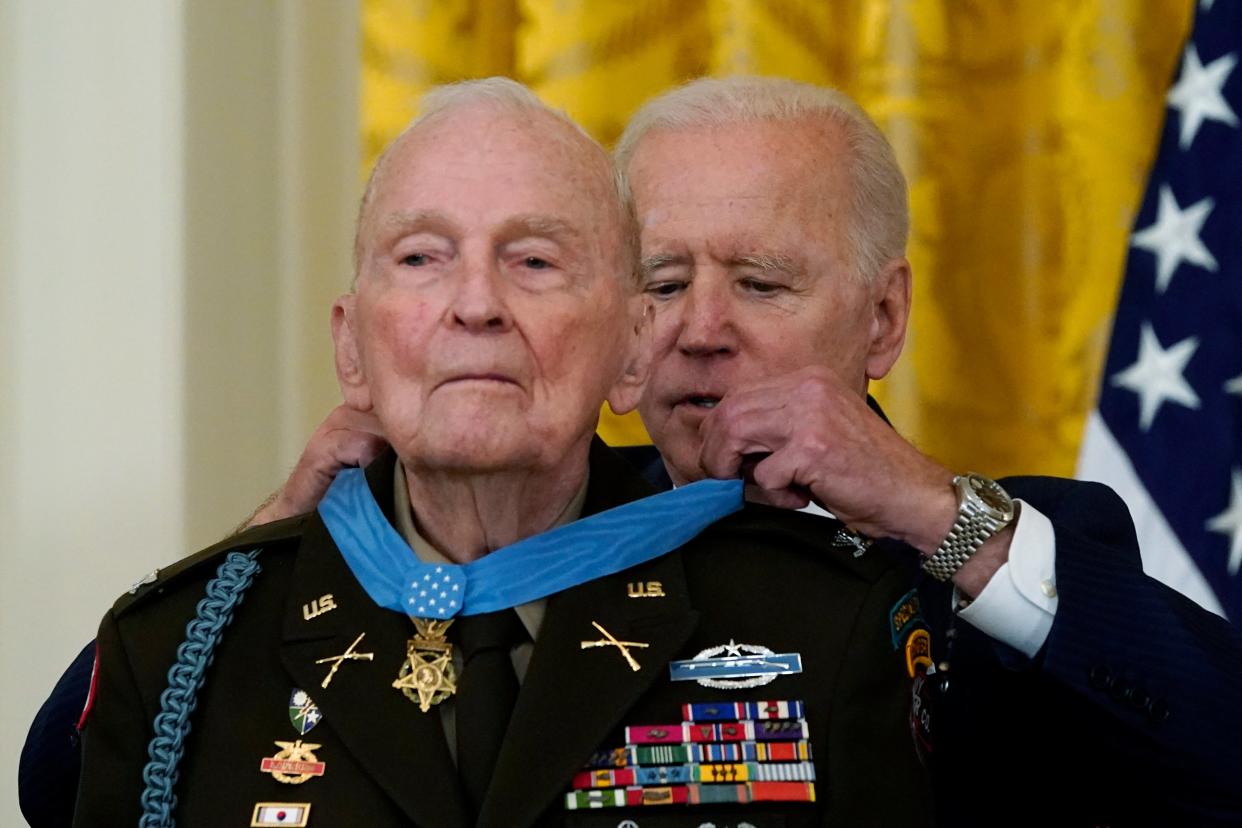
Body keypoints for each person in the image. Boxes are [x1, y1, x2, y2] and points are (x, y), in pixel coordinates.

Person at [67, 79, 928, 827]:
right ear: (352, 349)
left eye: (534, 260)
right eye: (421, 257)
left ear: (633, 347)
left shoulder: (828, 621)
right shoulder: (178, 643)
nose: (475, 304)